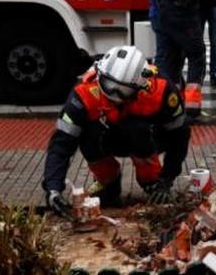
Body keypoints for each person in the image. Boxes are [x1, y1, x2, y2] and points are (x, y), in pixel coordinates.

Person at [42, 46, 190, 212]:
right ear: (100, 74)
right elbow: (61, 143)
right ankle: (108, 181)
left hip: (147, 137)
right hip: (105, 136)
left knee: (137, 130)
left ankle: (152, 181)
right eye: (108, 85)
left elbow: (180, 135)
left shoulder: (162, 90)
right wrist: (53, 189)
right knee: (86, 136)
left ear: (140, 87)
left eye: (123, 91)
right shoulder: (82, 94)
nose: (113, 94)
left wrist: (167, 178)